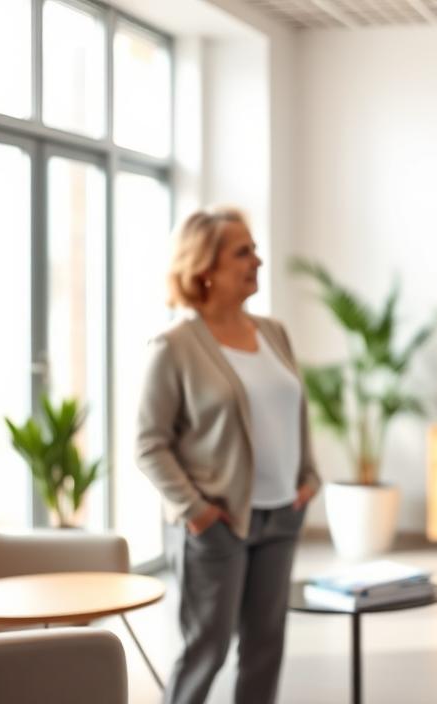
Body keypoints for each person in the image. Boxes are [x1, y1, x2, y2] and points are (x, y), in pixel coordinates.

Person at [136, 206, 320, 704]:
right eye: (243, 251)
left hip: (283, 514)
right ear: (204, 268)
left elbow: (292, 411)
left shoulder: (273, 332)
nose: (257, 260)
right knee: (206, 650)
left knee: (265, 649)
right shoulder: (174, 346)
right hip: (217, 525)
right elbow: (149, 442)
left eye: (254, 249)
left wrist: (308, 478)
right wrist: (196, 512)